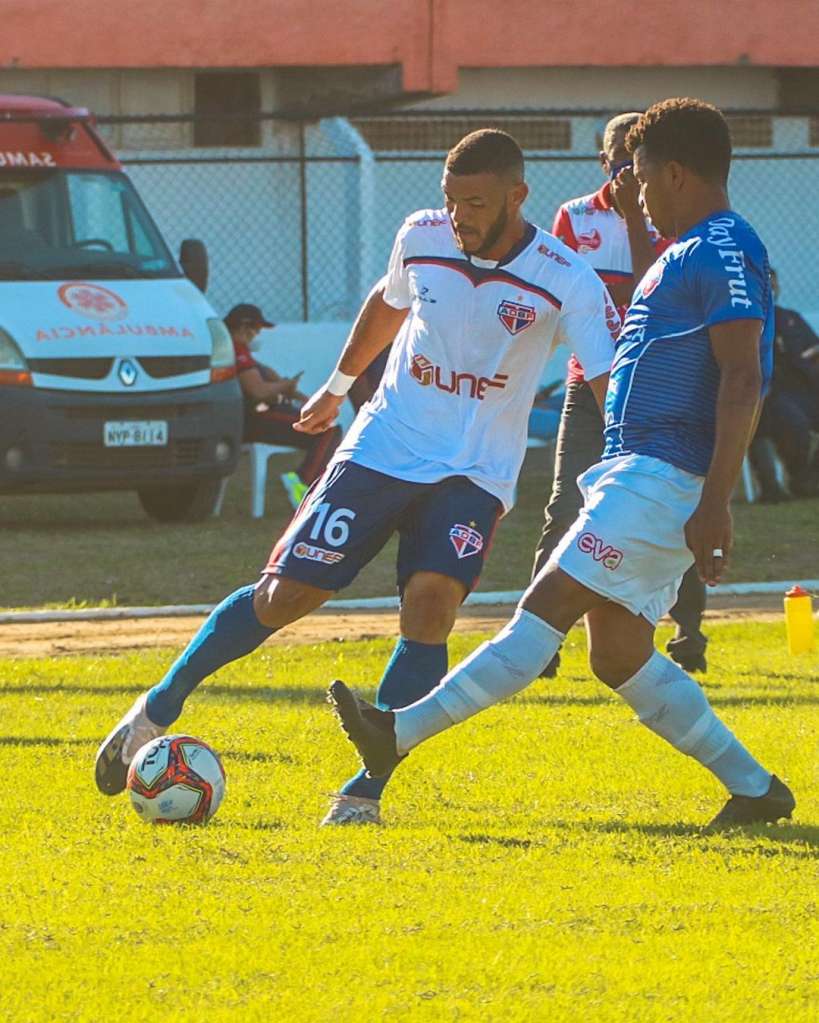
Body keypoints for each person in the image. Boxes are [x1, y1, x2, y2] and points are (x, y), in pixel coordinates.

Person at [94, 129, 619, 826]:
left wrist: (630, 459)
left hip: (474, 472)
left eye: (476, 203)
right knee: (285, 597)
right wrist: (337, 386)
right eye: (452, 200)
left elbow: (608, 378)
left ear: (517, 197)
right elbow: (388, 300)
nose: (459, 215)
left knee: (430, 607)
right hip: (384, 447)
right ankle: (156, 709)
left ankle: (365, 789)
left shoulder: (565, 277)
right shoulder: (422, 235)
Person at [330, 98, 796, 833]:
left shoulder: (722, 247)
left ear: (676, 174)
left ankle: (397, 733)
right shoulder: (687, 247)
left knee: (544, 607)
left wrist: (716, 501)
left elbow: (744, 377)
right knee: (617, 655)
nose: (634, 195)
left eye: (642, 179)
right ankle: (756, 790)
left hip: (662, 476)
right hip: (641, 471)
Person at [536, 112, 708, 675]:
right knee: (566, 504)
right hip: (589, 381)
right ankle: (541, 644)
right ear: (602, 161)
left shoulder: (665, 214)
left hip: (656, 387)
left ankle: (688, 631)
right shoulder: (575, 216)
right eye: (616, 164)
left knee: (671, 505)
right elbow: (559, 295)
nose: (625, 177)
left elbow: (656, 293)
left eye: (634, 166)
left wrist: (635, 217)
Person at [225, 302, 341, 509]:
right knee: (327, 431)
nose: (256, 335)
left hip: (258, 416)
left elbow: (270, 379)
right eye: (256, 330)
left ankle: (307, 484)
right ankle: (301, 483)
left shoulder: (236, 351)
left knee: (326, 429)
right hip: (255, 418)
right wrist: (285, 385)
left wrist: (301, 397)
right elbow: (258, 391)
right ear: (243, 327)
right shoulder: (235, 350)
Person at [750, 269, 819, 498]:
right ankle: (798, 476)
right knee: (795, 423)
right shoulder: (749, 323)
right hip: (774, 393)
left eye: (773, 284)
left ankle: (810, 478)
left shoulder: (791, 318)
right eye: (765, 285)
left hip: (806, 388)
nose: (771, 289)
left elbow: (814, 348)